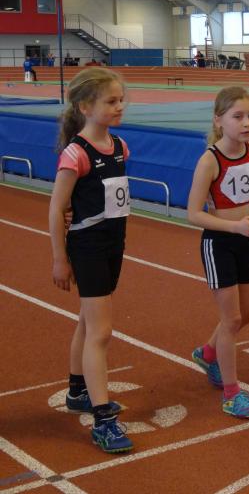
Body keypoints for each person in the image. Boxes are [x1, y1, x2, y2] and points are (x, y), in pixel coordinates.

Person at [48, 68, 133, 454]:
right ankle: (103, 421)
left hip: (114, 243)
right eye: (111, 101)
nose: (119, 106)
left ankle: (77, 391)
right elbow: (56, 207)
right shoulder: (76, 153)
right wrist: (59, 259)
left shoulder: (120, 146)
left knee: (88, 319)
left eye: (121, 100)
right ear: (85, 107)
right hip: (88, 246)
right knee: (101, 332)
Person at [187, 86, 249, 419]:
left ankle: (208, 353)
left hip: (245, 240)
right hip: (219, 243)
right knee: (231, 319)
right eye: (238, 117)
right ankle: (232, 394)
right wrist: (233, 227)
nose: (246, 123)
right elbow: (193, 213)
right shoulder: (210, 160)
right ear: (219, 120)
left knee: (247, 315)